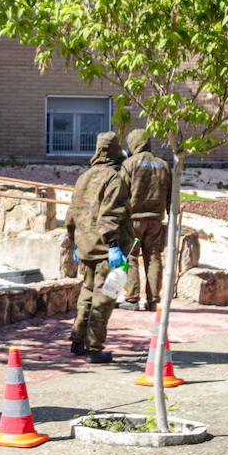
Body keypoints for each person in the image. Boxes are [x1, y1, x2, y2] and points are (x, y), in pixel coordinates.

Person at [66, 131, 134, 364]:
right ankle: (94, 348)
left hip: (86, 246)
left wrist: (75, 242)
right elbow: (110, 216)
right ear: (116, 150)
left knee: (86, 293)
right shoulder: (114, 179)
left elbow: (71, 215)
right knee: (104, 297)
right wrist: (114, 245)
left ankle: (77, 340)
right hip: (107, 250)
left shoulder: (83, 177)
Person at [117, 128, 172, 311]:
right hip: (156, 220)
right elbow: (172, 195)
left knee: (130, 256)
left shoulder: (129, 164)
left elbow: (120, 192)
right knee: (154, 257)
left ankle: (132, 298)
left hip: (133, 221)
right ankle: (153, 300)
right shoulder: (163, 165)